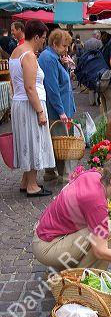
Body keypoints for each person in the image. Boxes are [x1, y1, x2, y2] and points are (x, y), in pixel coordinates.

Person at [32, 155, 111, 272]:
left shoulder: (95, 176)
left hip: (46, 237)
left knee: (104, 229)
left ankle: (69, 270)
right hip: (48, 247)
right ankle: (83, 281)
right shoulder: (97, 201)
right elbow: (100, 251)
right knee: (110, 230)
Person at [9, 20, 55, 196]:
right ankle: (32, 186)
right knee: (34, 141)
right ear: (36, 37)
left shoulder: (16, 52)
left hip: (21, 103)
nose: (43, 41)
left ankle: (25, 181)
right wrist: (40, 112)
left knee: (27, 141)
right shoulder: (28, 55)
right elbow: (30, 87)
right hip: (30, 105)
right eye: (43, 38)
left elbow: (16, 84)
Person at [38, 29, 76, 183]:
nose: (66, 49)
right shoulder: (49, 58)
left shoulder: (54, 57)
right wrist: (61, 111)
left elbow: (61, 80)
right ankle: (65, 175)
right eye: (64, 46)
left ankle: (51, 171)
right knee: (61, 142)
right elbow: (52, 88)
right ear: (54, 44)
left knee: (55, 140)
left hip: (61, 106)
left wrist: (66, 66)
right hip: (57, 109)